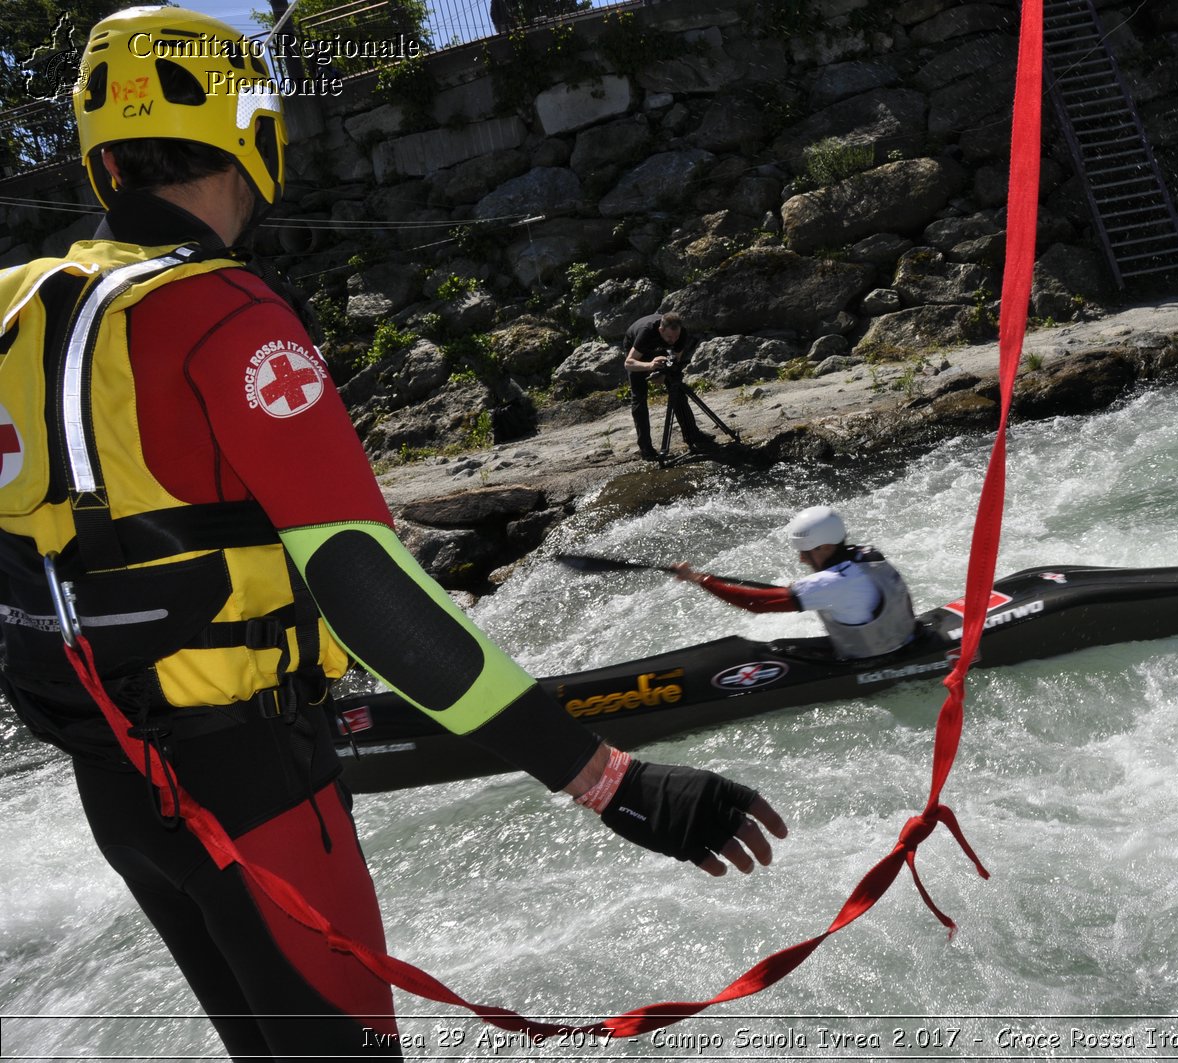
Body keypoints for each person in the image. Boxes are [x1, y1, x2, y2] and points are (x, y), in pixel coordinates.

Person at [0, 8, 784, 1059]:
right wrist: (608, 778)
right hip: (257, 787)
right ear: (253, 133)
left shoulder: (17, 313)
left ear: (104, 156)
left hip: (120, 787)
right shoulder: (225, 314)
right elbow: (367, 592)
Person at [671, 506, 918, 660]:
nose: (801, 558)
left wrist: (699, 579)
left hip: (874, 657)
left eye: (806, 552)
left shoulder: (830, 583)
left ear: (827, 546)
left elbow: (754, 602)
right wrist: (801, 589)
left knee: (775, 651)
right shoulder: (866, 555)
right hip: (904, 638)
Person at [622, 311, 711, 460]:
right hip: (638, 354)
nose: (673, 340)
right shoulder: (646, 332)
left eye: (676, 337)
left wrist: (663, 374)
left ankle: (692, 435)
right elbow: (629, 363)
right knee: (639, 398)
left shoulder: (680, 335)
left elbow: (675, 359)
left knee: (676, 389)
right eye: (670, 337)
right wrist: (651, 366)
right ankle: (646, 449)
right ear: (661, 330)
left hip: (660, 351)